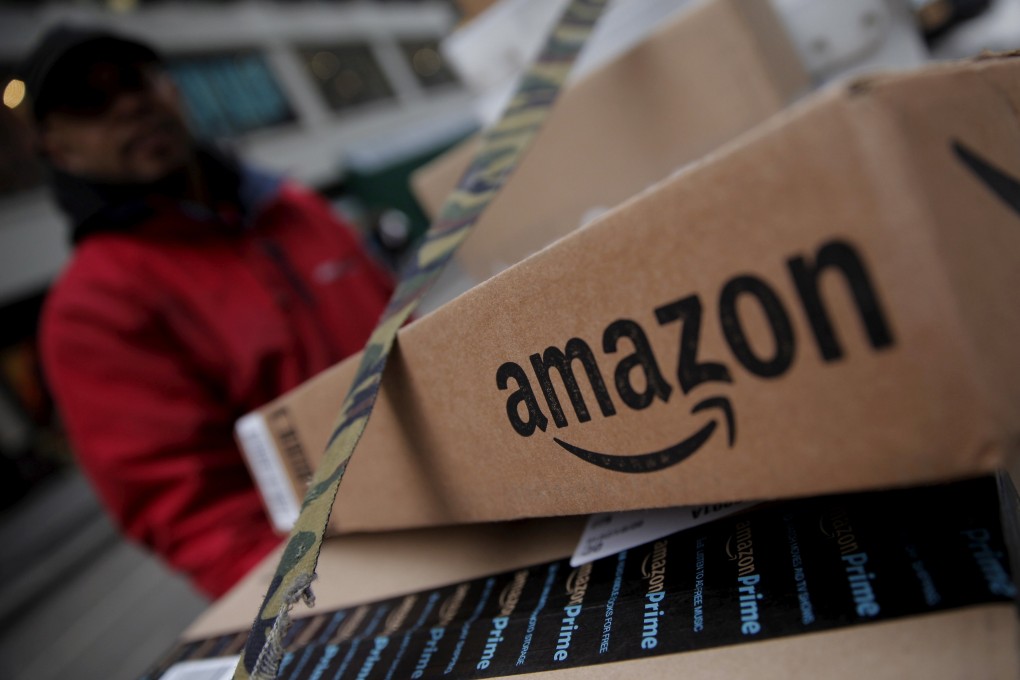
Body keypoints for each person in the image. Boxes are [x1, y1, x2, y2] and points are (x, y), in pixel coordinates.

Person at [21, 25, 395, 598]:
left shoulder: (291, 208)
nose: (129, 105)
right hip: (358, 575)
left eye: (135, 81)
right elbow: (198, 517)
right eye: (90, 102)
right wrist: (328, 603)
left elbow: (403, 331)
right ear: (57, 147)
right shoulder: (94, 307)